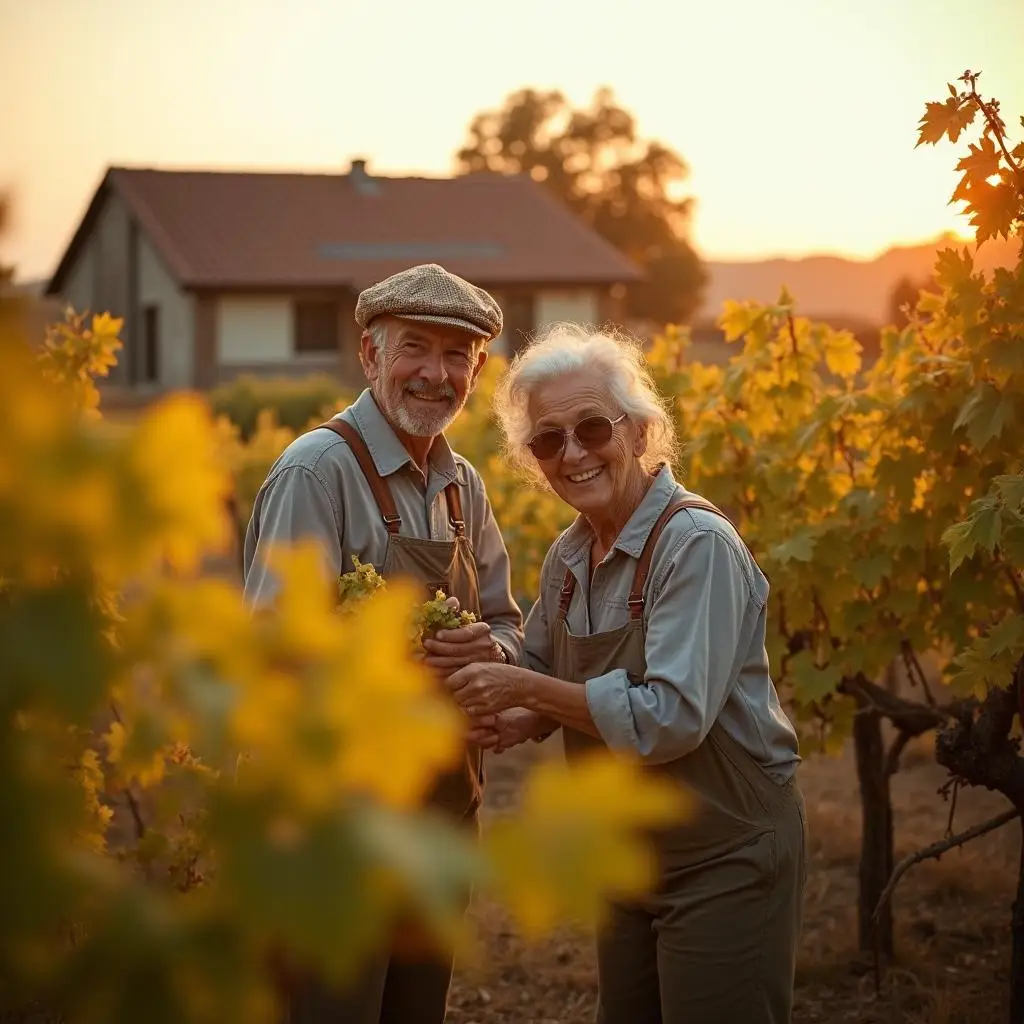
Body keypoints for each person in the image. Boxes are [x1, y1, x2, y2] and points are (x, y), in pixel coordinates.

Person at [441, 324, 807, 1024]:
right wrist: (512, 708)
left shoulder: (694, 546)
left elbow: (668, 719)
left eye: (591, 428)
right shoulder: (569, 557)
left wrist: (523, 689)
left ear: (639, 432)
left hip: (725, 854)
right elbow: (546, 668)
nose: (572, 453)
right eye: (548, 440)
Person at [242, 263, 525, 1024]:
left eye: (456, 355)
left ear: (478, 369)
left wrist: (491, 659)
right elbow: (273, 658)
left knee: (413, 1009)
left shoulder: (463, 482)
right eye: (415, 348)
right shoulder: (316, 472)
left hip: (440, 811)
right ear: (369, 354)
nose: (436, 374)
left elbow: (507, 624)